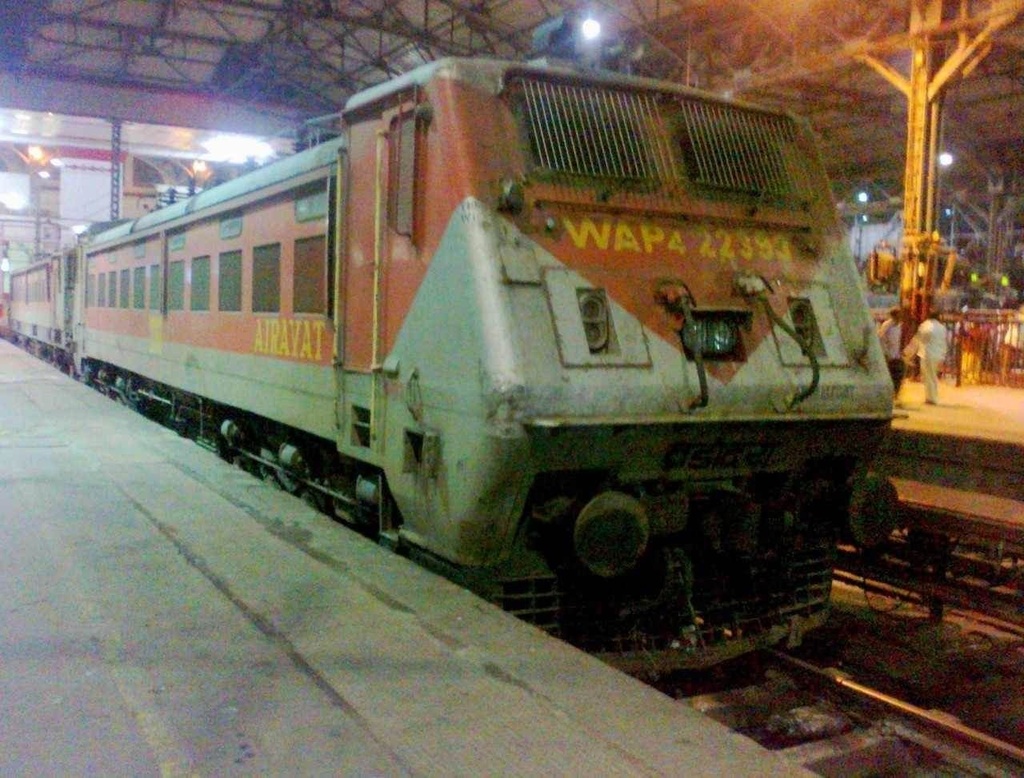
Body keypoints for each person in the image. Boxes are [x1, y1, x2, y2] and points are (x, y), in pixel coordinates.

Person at [905, 311, 948, 405]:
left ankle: (931, 398)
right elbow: (944, 342)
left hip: (927, 354)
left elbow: (917, 340)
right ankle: (933, 396)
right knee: (933, 376)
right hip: (938, 354)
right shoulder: (942, 327)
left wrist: (908, 353)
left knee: (928, 376)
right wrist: (943, 355)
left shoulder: (925, 326)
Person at [877, 306, 905, 397]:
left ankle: (895, 393)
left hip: (896, 354)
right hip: (888, 354)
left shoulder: (899, 325)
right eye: (898, 315)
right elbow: (881, 338)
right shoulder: (887, 325)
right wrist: (885, 352)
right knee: (889, 374)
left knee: (898, 374)